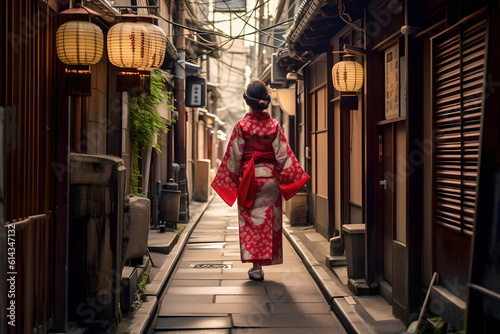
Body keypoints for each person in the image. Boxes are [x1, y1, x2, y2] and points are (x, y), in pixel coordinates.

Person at [211, 80, 310, 280]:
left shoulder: (242, 126)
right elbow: (283, 155)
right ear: (264, 101)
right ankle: (265, 259)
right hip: (270, 179)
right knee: (267, 221)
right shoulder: (273, 125)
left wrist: (229, 181)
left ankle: (256, 266)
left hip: (250, 179)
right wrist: (292, 178)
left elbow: (234, 157)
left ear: (247, 101)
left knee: (251, 221)